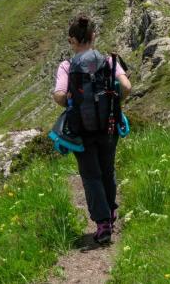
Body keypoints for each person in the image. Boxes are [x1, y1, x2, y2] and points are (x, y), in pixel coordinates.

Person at [53, 15, 132, 245]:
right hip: (109, 126)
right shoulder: (108, 60)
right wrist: (115, 103)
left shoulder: (67, 66)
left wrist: (68, 99)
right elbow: (126, 86)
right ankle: (111, 211)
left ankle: (103, 222)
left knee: (90, 175)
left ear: (72, 40)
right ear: (93, 36)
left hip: (81, 130)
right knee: (107, 170)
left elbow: (58, 96)